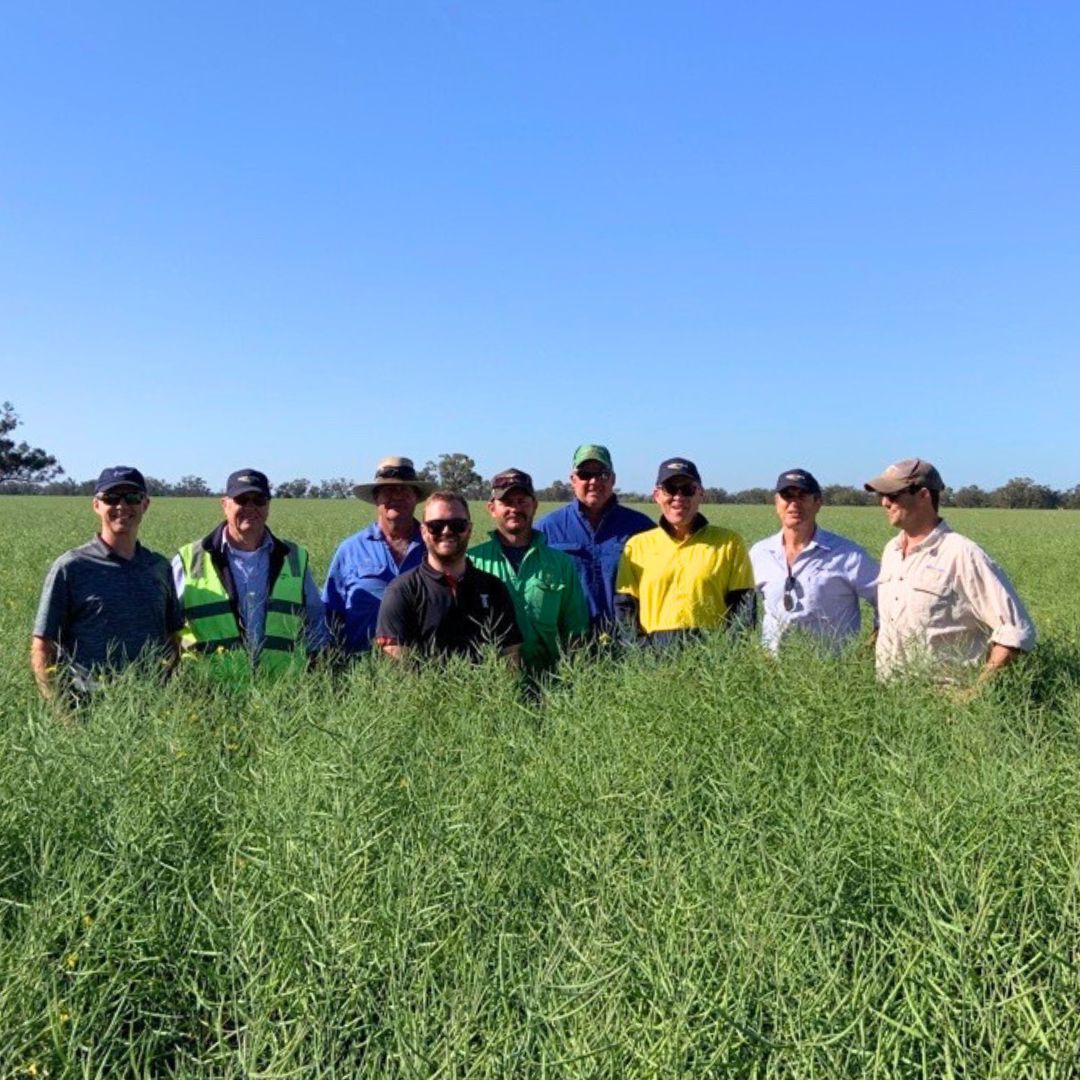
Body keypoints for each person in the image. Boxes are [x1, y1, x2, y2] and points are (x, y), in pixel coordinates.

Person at [864, 457, 1036, 681]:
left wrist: (975, 694)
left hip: (942, 704)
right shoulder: (892, 551)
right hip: (890, 698)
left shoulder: (962, 553)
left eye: (893, 495)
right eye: (881, 495)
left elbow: (1016, 631)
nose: (884, 503)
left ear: (924, 495)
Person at [31, 466, 182, 702]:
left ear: (145, 504)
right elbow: (42, 647)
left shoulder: (159, 567)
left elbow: (173, 639)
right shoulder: (71, 567)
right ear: (96, 505)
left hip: (153, 710)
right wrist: (61, 715)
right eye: (111, 498)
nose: (122, 506)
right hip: (88, 709)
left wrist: (170, 697)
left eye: (132, 497)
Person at [173, 468, 328, 674]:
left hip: (281, 689)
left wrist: (316, 672)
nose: (250, 507)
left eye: (259, 500)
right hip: (210, 691)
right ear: (225, 505)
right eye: (242, 500)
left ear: (268, 505)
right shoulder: (192, 559)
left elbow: (315, 619)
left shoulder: (294, 558)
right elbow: (167, 626)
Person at [615, 458, 755, 646]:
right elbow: (625, 609)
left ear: (701, 494)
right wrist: (641, 653)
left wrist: (726, 657)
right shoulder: (636, 546)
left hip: (713, 659)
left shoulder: (729, 543)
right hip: (654, 662)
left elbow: (744, 608)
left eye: (688, 489)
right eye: (670, 489)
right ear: (657, 495)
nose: (679, 497)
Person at [375, 491, 522, 663]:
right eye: (436, 526)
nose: (446, 531)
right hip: (421, 690)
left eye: (457, 525)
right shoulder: (402, 590)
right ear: (423, 531)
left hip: (486, 689)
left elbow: (510, 660)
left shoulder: (493, 588)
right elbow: (397, 669)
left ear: (469, 529)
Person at [468, 469, 589, 672]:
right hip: (490, 685)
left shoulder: (561, 563)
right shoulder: (472, 561)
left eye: (522, 501)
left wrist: (574, 680)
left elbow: (575, 631)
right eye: (506, 502)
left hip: (550, 683)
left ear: (534, 505)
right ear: (491, 508)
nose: (515, 508)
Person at [749, 468, 879, 653]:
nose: (794, 504)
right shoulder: (760, 553)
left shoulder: (848, 554)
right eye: (787, 496)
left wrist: (872, 646)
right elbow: (742, 609)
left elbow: (887, 599)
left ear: (818, 502)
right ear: (777, 503)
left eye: (802, 496)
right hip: (772, 672)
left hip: (832, 672)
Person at [536, 444, 653, 633]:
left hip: (628, 642)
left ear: (613, 479)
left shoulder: (641, 527)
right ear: (573, 480)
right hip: (569, 643)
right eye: (585, 475)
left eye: (602, 474)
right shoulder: (547, 528)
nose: (594, 481)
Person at [323, 456, 433, 654]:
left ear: (416, 497)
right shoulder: (350, 549)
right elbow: (330, 613)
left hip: (425, 670)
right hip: (360, 669)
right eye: (388, 490)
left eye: (404, 490)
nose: (396, 496)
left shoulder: (434, 547)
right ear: (376, 498)